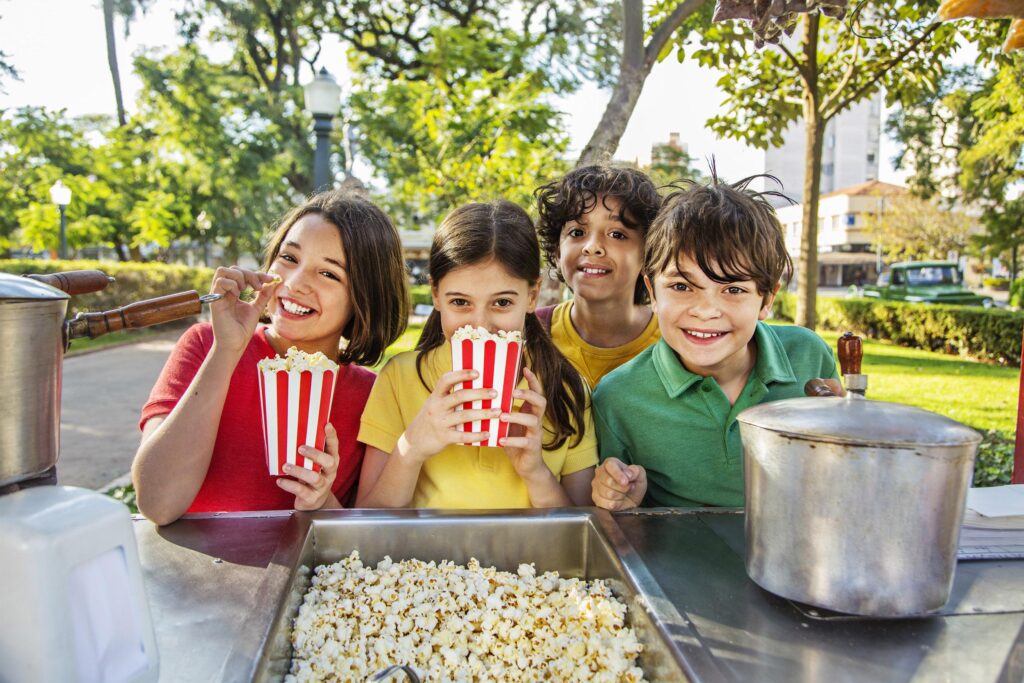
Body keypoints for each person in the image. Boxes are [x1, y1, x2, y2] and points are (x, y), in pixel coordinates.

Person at [133, 191, 409, 525]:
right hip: (192, 573)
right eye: (290, 258)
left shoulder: (371, 396)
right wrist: (227, 351)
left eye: (329, 274)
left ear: (366, 297)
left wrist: (321, 500)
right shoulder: (206, 345)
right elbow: (157, 503)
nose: (294, 283)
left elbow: (360, 545)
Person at [590, 175, 841, 510]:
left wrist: (847, 436)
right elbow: (622, 517)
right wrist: (625, 500)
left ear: (766, 299)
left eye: (733, 289)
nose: (706, 311)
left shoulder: (808, 355)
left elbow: (837, 476)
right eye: (681, 286)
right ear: (651, 292)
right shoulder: (617, 398)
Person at [356, 200, 596, 509]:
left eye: (502, 303)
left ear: (532, 296)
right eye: (460, 302)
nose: (480, 324)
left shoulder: (567, 390)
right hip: (422, 557)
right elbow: (368, 521)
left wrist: (535, 472)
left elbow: (579, 533)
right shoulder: (399, 378)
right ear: (436, 295)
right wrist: (412, 448)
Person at [533, 165, 663, 388]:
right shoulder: (531, 333)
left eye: (617, 234)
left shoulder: (674, 340)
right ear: (557, 250)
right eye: (577, 232)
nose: (592, 247)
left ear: (647, 253)